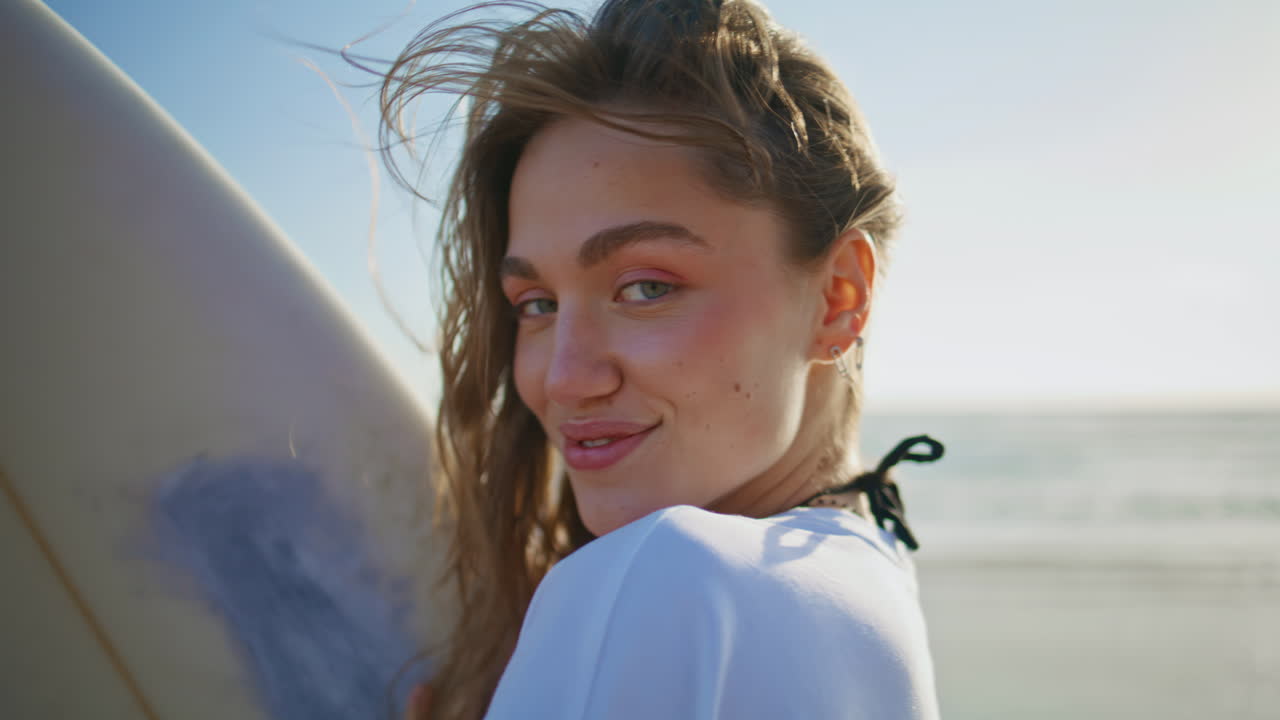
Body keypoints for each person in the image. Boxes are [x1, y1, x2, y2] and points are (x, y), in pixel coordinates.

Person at [379, 1, 946, 717]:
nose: (562, 379)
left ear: (838, 297)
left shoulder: (666, 576)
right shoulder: (869, 582)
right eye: (537, 305)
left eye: (646, 287)